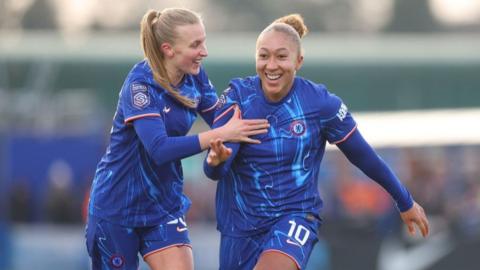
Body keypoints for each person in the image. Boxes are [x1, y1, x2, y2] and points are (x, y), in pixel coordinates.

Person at [203, 14, 430, 270]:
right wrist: (216, 160)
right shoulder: (237, 98)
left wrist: (404, 200)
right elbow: (214, 170)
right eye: (263, 56)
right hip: (239, 225)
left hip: (295, 216)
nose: (271, 65)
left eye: (281, 56)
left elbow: (363, 155)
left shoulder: (320, 103)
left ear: (298, 61)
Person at [85, 8, 269, 270]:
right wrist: (220, 135)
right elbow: (159, 149)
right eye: (195, 45)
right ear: (168, 49)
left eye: (204, 41)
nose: (204, 51)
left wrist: (220, 150)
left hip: (163, 207)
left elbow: (221, 119)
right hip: (116, 209)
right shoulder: (140, 86)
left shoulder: (195, 77)